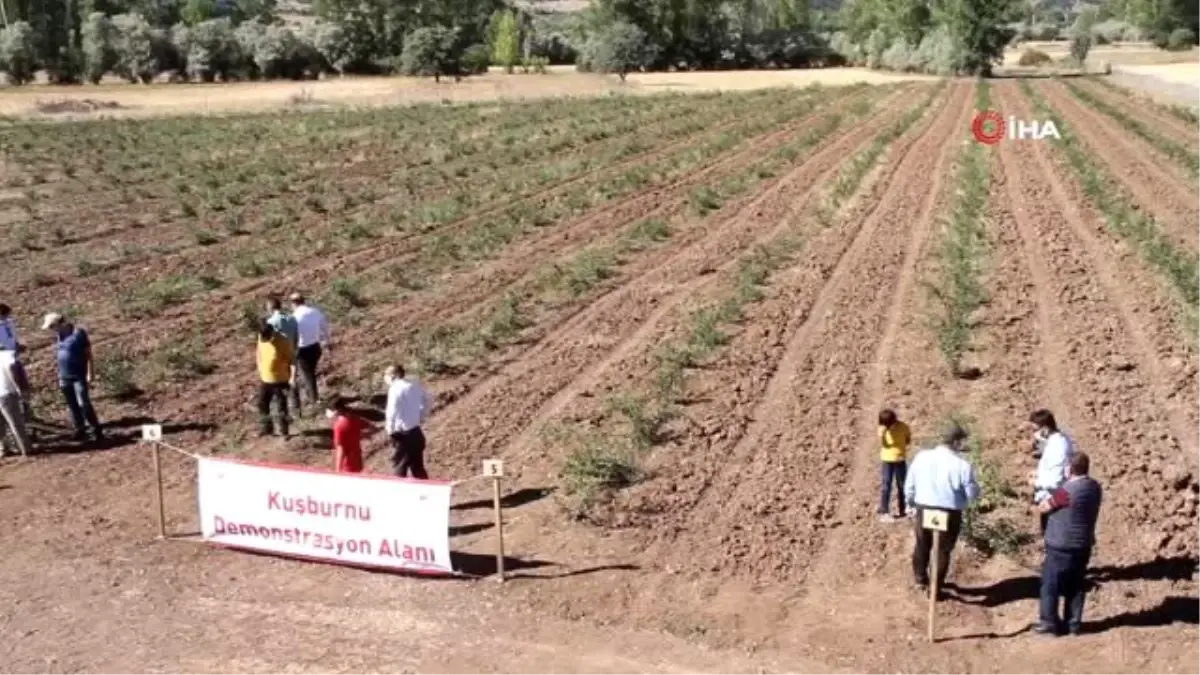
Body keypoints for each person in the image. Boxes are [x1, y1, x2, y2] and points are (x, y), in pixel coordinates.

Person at [904, 421, 980, 595]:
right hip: (949, 511)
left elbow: (910, 485)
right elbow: (972, 493)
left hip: (924, 508)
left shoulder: (922, 457)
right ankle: (935, 588)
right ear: (956, 442)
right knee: (943, 550)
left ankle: (920, 579)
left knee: (922, 544)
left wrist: (910, 504)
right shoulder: (962, 465)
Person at [1036, 452, 1102, 636]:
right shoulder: (1095, 487)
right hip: (1083, 545)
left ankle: (1049, 622)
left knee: (1051, 585)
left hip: (1061, 545)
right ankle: (1073, 624)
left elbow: (1044, 507)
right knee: (1076, 585)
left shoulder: (1066, 492)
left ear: (1069, 469)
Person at [42, 313, 103, 442]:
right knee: (72, 405)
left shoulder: (78, 333)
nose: (51, 329)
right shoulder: (59, 336)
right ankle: (80, 429)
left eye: (52, 326)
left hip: (78, 375)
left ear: (60, 323)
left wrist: (90, 372)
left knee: (83, 403)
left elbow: (88, 354)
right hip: (64, 376)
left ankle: (95, 429)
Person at [1029, 409, 1075, 535]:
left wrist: (1036, 482)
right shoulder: (1056, 441)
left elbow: (1055, 481)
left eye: (1035, 429)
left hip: (1054, 504)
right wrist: (1038, 473)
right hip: (1052, 502)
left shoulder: (1058, 446)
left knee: (1054, 539)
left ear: (1045, 429)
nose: (1034, 434)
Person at [384, 365, 432, 479]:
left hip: (403, 436)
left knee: (399, 468)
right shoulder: (414, 385)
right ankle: (425, 492)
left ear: (393, 375)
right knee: (418, 467)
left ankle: (398, 495)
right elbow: (429, 398)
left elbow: (392, 410)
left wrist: (389, 429)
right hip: (416, 432)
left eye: (386, 375)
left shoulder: (395, 388)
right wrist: (421, 414)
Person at [288, 293, 330, 416]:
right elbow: (325, 327)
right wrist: (327, 342)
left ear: (293, 303)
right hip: (316, 347)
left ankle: (314, 400)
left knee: (308, 375)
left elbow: (292, 336)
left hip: (303, 349)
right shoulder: (315, 312)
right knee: (310, 372)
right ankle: (311, 395)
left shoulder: (294, 317)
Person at [256, 320, 294, 437]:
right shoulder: (261, 337)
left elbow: (292, 360)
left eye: (267, 338)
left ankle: (284, 431)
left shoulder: (283, 341)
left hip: (280, 380)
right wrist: (260, 367)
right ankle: (266, 428)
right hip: (265, 379)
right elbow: (259, 351)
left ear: (272, 333)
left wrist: (292, 378)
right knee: (262, 403)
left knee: (281, 406)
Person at [877, 408, 912, 522]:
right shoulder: (882, 429)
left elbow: (908, 439)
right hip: (887, 460)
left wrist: (900, 449)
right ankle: (884, 511)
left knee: (902, 485)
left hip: (900, 459)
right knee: (886, 486)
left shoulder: (903, 427)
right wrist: (883, 433)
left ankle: (904, 510)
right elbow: (885, 444)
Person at [0, 342, 33, 457]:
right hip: (7, 394)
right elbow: (12, 368)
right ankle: (26, 449)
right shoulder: (8, 355)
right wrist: (19, 387)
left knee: (1, 425)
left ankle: (3, 449)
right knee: (16, 423)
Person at [326, 396, 373, 474]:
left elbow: (341, 449)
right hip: (358, 463)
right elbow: (373, 428)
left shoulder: (338, 426)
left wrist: (337, 471)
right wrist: (362, 435)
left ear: (337, 410)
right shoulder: (355, 419)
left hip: (346, 467)